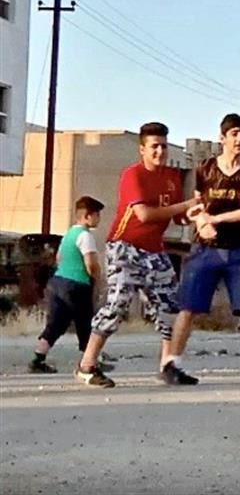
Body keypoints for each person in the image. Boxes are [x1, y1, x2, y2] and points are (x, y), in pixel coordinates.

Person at [76, 123, 197, 388]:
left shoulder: (171, 177)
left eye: (163, 146)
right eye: (154, 146)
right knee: (117, 304)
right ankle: (87, 365)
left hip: (155, 250)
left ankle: (168, 366)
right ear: (142, 149)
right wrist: (185, 205)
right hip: (125, 247)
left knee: (171, 307)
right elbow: (144, 214)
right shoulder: (133, 175)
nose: (160, 152)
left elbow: (179, 217)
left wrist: (195, 211)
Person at [166, 113, 240, 386]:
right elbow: (197, 206)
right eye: (235, 133)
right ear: (222, 137)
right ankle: (172, 364)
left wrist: (217, 219)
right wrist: (202, 223)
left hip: (238, 251)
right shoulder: (205, 169)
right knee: (188, 308)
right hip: (205, 250)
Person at [30, 196, 106, 373]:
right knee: (85, 323)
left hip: (57, 282)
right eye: (97, 215)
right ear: (87, 216)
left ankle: (38, 359)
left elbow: (59, 258)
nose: (99, 219)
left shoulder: (69, 234)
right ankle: (90, 360)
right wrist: (97, 281)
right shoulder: (85, 236)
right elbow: (91, 264)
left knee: (56, 324)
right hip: (77, 285)